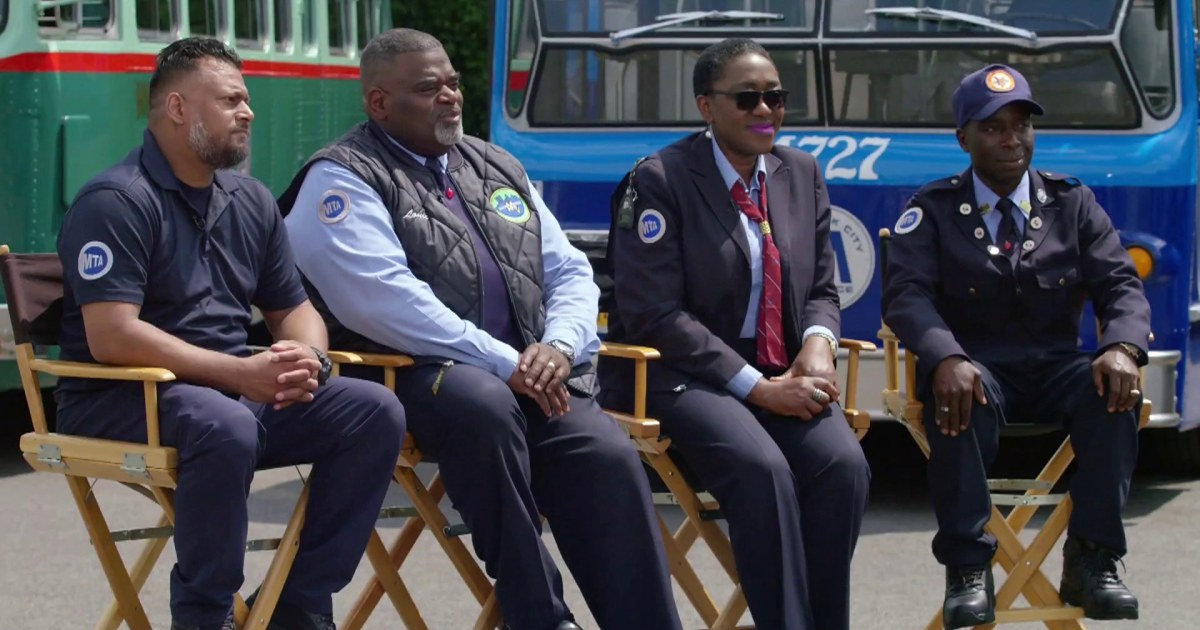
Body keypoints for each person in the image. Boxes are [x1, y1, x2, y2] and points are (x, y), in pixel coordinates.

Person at [277, 28, 682, 630]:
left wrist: (561, 347)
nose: (449, 96)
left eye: (453, 82)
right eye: (427, 87)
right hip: (409, 377)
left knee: (607, 457)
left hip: (531, 373)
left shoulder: (493, 162)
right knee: (484, 405)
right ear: (379, 103)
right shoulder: (342, 178)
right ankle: (540, 615)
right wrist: (508, 363)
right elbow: (385, 303)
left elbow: (568, 268)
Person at [54, 38, 407, 630]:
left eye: (246, 99)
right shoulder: (116, 200)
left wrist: (307, 357)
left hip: (224, 395)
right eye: (231, 99)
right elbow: (112, 336)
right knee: (227, 426)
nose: (249, 111)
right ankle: (205, 615)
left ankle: (296, 606)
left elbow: (292, 308)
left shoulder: (250, 200)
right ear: (176, 109)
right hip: (119, 395)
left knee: (373, 411)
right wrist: (241, 373)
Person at [599, 38, 871, 630]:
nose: (765, 110)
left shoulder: (799, 173)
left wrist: (818, 346)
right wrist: (759, 389)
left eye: (775, 96)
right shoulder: (661, 180)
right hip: (678, 372)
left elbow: (822, 287)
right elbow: (653, 315)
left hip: (780, 365)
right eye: (747, 98)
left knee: (841, 466)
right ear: (706, 106)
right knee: (762, 469)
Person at [882, 64, 1148, 628]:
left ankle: (1094, 562)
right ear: (964, 138)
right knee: (956, 397)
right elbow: (906, 296)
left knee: (1113, 393)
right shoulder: (931, 209)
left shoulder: (1072, 203)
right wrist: (946, 356)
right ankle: (969, 569)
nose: (1011, 139)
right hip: (978, 369)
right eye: (993, 127)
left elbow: (1120, 284)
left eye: (1021, 125)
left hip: (1055, 367)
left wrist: (1122, 346)